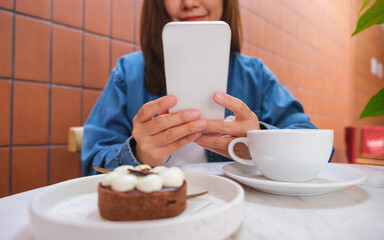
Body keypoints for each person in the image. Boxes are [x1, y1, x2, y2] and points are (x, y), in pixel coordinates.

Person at [81, 0, 321, 176]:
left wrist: (258, 144)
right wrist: (139, 155)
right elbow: (92, 162)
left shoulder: (255, 75)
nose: (189, 3)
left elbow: (315, 146)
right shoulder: (128, 73)